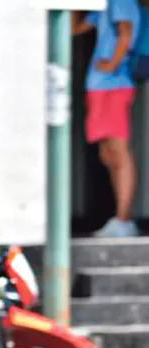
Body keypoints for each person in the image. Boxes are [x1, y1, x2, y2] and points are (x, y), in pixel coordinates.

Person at [78, 1, 142, 238]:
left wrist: (111, 64)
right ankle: (119, 218)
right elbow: (75, 29)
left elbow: (125, 34)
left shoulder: (121, 1)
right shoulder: (102, 5)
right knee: (107, 155)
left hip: (113, 86)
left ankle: (123, 218)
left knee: (119, 151)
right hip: (99, 88)